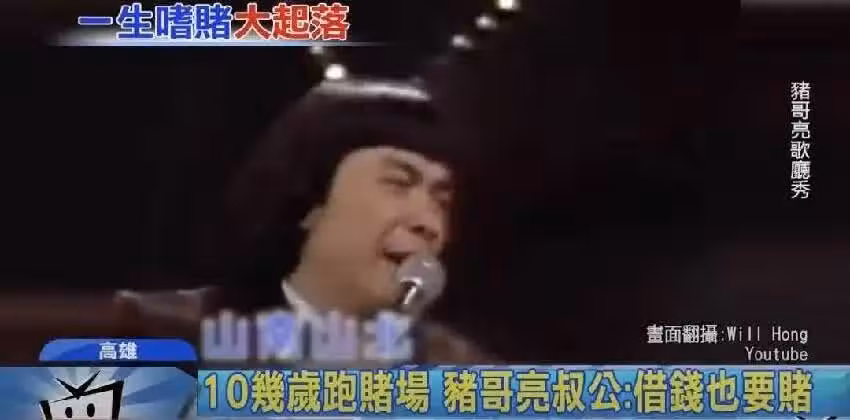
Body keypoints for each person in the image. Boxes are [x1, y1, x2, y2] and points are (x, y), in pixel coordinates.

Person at [115, 77, 494, 364]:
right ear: (309, 202)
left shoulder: (455, 367)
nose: (428, 223)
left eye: (441, 200)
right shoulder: (156, 333)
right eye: (398, 184)